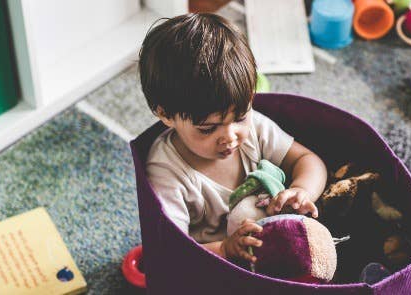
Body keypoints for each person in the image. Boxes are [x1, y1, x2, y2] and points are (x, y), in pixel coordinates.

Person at [139, 13, 327, 264]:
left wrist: (302, 191)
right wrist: (225, 249)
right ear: (165, 114)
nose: (230, 136)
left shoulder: (255, 128)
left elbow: (308, 160)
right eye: (208, 129)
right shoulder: (167, 173)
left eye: (239, 117)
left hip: (275, 241)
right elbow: (173, 250)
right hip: (213, 264)